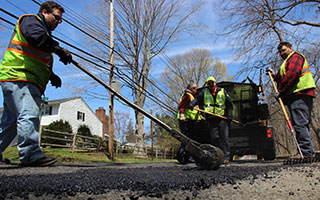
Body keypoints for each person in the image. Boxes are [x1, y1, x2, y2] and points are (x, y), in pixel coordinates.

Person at [0, 1, 72, 166]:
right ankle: (30, 154)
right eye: (56, 17)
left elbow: (37, 55)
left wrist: (52, 75)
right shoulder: (31, 21)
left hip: (16, 77)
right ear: (45, 12)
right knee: (29, 114)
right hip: (22, 77)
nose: (58, 22)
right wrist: (58, 49)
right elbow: (37, 38)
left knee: (10, 123)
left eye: (60, 20)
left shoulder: (43, 32)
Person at [266, 42, 316, 158]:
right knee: (302, 123)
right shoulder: (287, 62)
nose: (282, 53)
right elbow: (283, 76)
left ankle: (306, 152)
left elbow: (291, 75)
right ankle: (307, 151)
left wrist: (281, 91)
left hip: (300, 94)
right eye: (280, 52)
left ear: (290, 48)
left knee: (299, 123)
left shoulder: (295, 57)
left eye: (283, 50)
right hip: (297, 95)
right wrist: (274, 76)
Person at [189, 76, 233, 164]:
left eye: (212, 83)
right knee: (214, 138)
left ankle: (227, 157)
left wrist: (229, 115)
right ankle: (219, 155)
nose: (211, 84)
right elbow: (197, 99)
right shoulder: (205, 92)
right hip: (211, 119)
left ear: (215, 83)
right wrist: (192, 104)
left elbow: (229, 104)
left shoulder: (222, 92)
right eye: (209, 83)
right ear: (207, 84)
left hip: (222, 119)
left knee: (224, 137)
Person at [176, 82, 202, 164]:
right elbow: (182, 106)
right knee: (187, 139)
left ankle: (185, 156)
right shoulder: (187, 96)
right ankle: (185, 155)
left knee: (188, 138)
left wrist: (200, 116)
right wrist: (182, 115)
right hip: (186, 120)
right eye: (196, 89)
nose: (197, 90)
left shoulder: (191, 96)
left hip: (191, 120)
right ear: (192, 89)